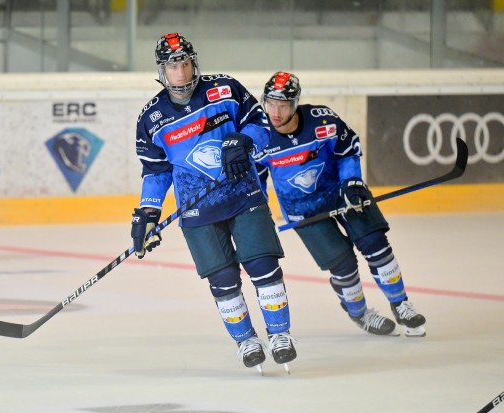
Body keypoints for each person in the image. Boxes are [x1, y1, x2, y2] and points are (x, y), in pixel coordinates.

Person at [131, 33, 297, 372]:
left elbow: (261, 124)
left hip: (244, 196)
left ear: (194, 62)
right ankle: (246, 340)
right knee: (223, 280)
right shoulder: (151, 119)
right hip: (197, 211)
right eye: (172, 65)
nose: (180, 70)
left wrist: (243, 139)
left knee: (263, 266)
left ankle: (280, 335)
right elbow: (156, 171)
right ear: (162, 70)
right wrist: (148, 211)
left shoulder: (226, 88)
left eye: (185, 62)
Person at [255, 71, 426, 337]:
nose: (275, 112)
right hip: (302, 210)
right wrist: (259, 213)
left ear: (296, 103)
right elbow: (256, 180)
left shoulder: (323, 120)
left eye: (283, 104)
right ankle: (359, 313)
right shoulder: (259, 135)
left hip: (342, 192)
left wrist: (352, 182)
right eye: (271, 103)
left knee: (375, 243)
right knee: (343, 264)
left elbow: (348, 149)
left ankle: (401, 303)